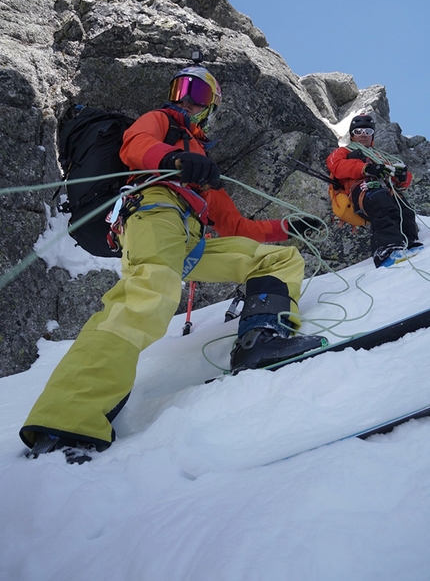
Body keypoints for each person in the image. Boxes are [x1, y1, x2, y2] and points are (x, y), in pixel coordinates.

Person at [20, 62, 322, 459]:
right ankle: (65, 420)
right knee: (150, 296)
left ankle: (259, 337)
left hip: (189, 239)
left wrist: (285, 227)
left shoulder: (201, 165)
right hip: (153, 212)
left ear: (211, 107)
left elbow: (234, 225)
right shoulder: (163, 122)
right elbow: (135, 144)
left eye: (198, 94)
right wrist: (174, 160)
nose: (185, 100)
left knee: (275, 259)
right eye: (182, 88)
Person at [326, 113, 421, 268]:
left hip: (385, 188)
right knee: (382, 206)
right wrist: (366, 168)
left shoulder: (380, 157)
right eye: (358, 132)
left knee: (405, 210)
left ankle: (408, 242)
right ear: (352, 135)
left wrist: (403, 177)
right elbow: (335, 165)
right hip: (361, 187)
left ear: (373, 136)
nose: (363, 135)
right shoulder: (343, 152)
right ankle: (385, 249)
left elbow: (399, 179)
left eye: (368, 132)